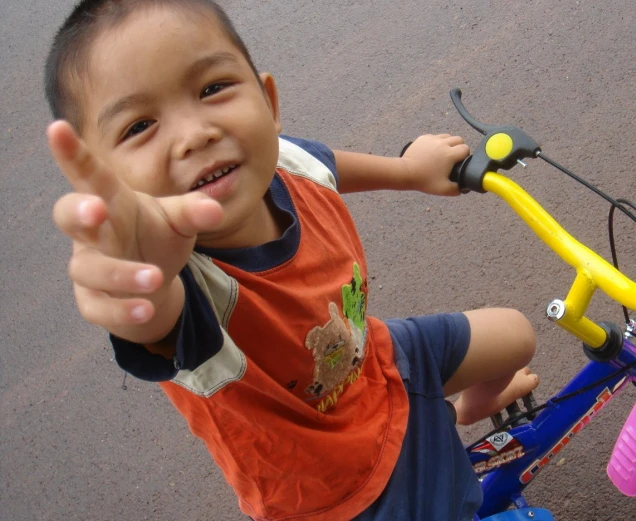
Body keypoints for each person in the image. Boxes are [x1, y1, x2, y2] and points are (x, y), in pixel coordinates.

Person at [45, 0, 539, 519]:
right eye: (139, 126)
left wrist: (410, 171)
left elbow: (325, 167)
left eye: (212, 89)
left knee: (515, 334)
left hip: (375, 364)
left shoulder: (280, 160)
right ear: (103, 181)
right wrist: (137, 280)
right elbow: (152, 312)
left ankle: (465, 412)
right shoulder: (186, 290)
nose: (195, 134)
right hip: (335, 491)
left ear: (268, 101)